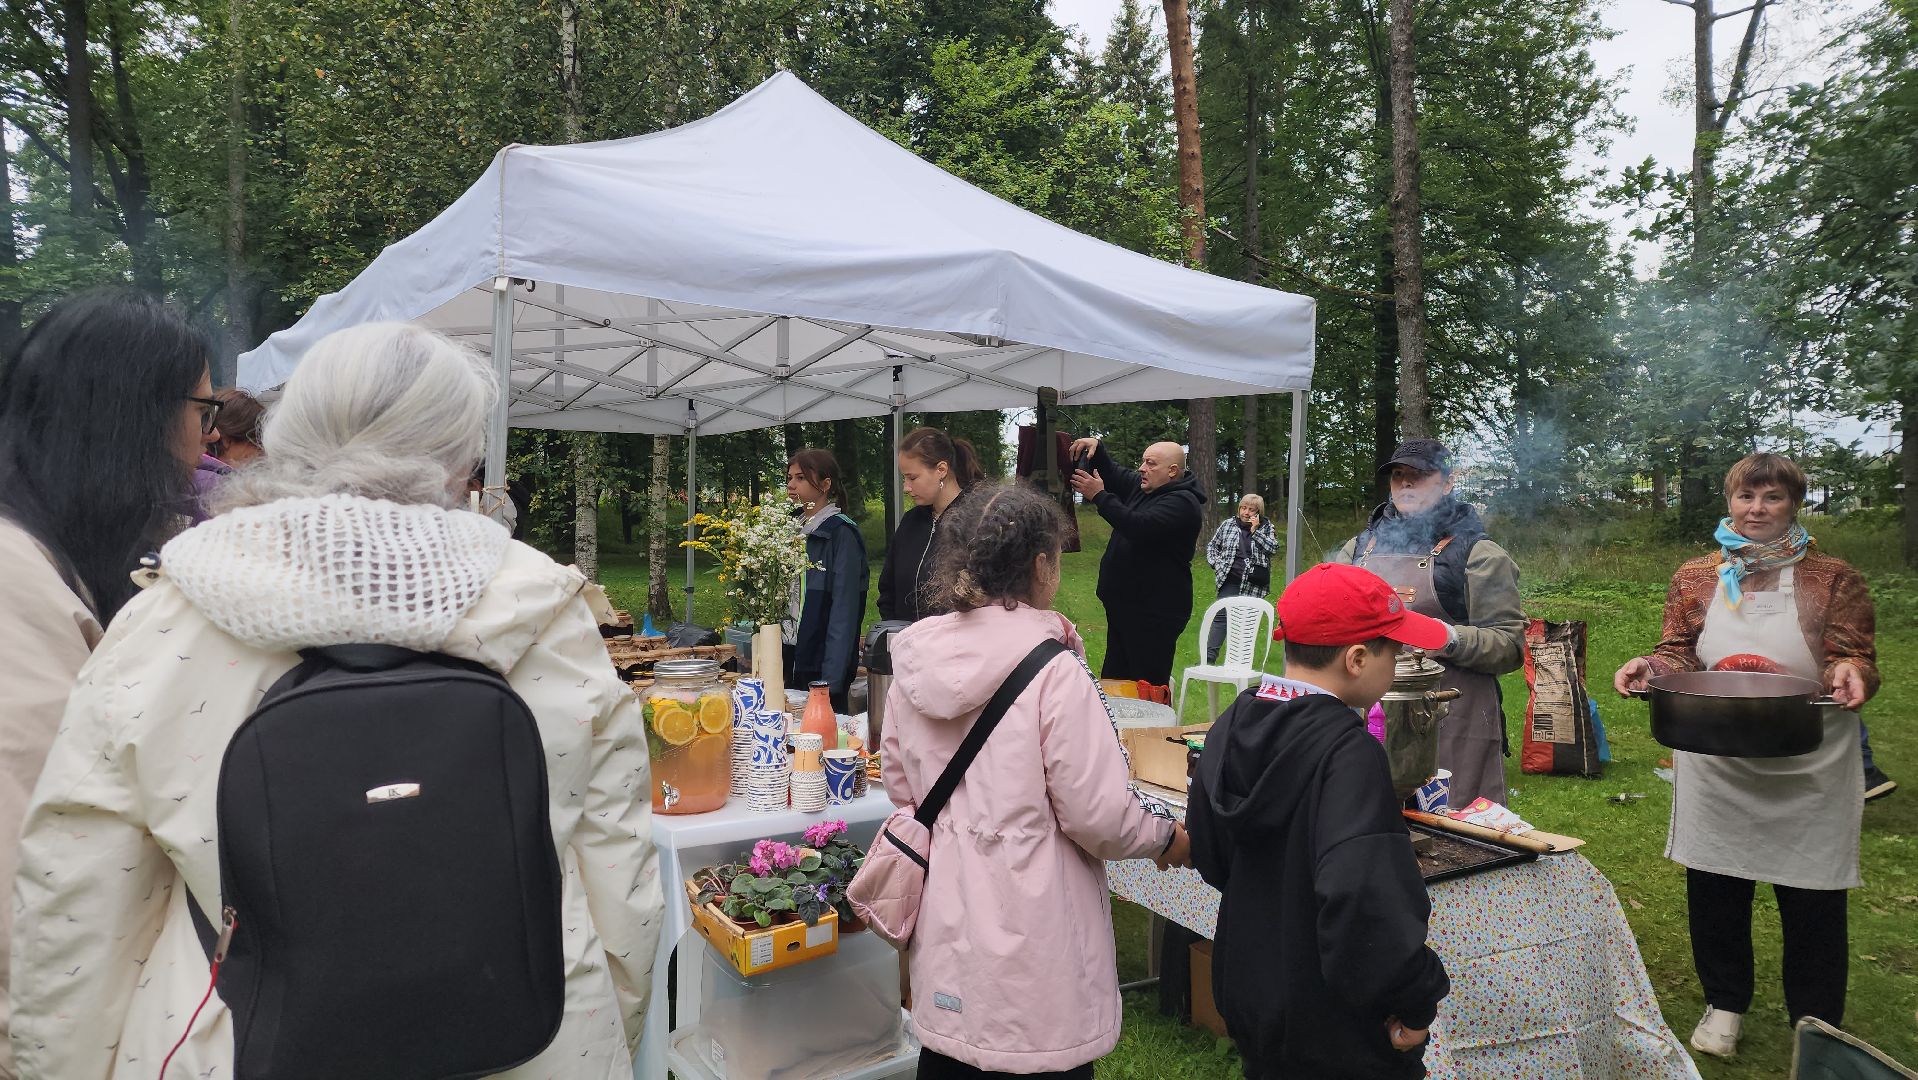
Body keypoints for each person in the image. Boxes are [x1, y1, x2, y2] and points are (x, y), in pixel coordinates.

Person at [9, 322, 662, 1079]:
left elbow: (78, 899)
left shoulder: (167, 617)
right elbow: (619, 866)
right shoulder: (548, 611)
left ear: (295, 434)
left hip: (236, 1037)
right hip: (530, 1036)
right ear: (463, 458)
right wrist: (607, 1019)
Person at [881, 482, 1189, 1079]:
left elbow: (901, 787)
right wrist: (1164, 838)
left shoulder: (915, 660)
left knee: (950, 1061)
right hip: (1036, 936)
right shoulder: (1054, 672)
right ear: (1043, 565)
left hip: (947, 923)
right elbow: (1098, 814)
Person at [0, 289, 215, 1077]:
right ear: (139, 418)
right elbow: (26, 860)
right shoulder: (12, 583)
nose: (207, 445)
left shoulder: (46, 551)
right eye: (203, 411)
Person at [1613, 452, 1876, 1057]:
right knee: (1715, 885)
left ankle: (1815, 1027)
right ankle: (1724, 1003)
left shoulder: (1832, 575)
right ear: (1730, 502)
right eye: (1746, 497)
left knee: (1812, 895)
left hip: (1805, 756)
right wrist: (1649, 666)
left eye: (1773, 498)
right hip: (1717, 753)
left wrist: (1852, 674)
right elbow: (1677, 651)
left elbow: (1852, 655)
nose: (1757, 509)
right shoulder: (1697, 575)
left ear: (1794, 504)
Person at [1188, 563, 1452, 1079]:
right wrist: (1418, 1000)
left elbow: (1212, 853)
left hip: (1255, 1000)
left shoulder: (1230, 724)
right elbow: (1366, 900)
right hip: (1336, 1028)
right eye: (1393, 651)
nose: (1395, 664)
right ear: (1356, 659)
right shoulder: (1348, 753)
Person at [1331, 438, 1522, 809]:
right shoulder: (1359, 548)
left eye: (1418, 476)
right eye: (1398, 475)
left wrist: (1446, 637)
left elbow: (1510, 645)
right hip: (1366, 715)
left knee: (1456, 841)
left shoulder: (1478, 553)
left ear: (1447, 483)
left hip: (1451, 718)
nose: (1404, 484)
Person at [1066, 436, 1204, 686]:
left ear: (1172, 471)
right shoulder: (1145, 488)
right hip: (1126, 610)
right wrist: (1097, 449)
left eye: (1150, 463)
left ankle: (1152, 727)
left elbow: (1138, 527)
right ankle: (1122, 726)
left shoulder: (1183, 503)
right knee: (1116, 685)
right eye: (1143, 461)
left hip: (1153, 614)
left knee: (1145, 688)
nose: (1142, 468)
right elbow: (1114, 473)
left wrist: (1099, 496)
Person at [785, 449, 869, 711]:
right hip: (787, 655)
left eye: (800, 478)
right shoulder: (787, 528)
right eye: (789, 477)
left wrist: (831, 680)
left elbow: (844, 612)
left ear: (824, 484)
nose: (791, 484)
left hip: (820, 662)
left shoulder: (840, 534)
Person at [877, 426, 985, 623]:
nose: (906, 487)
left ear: (941, 470)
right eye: (904, 478)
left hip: (958, 649)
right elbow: (887, 589)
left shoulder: (978, 523)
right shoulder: (910, 522)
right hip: (908, 645)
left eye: (912, 477)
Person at [1203, 493, 1279, 662]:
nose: (1246, 513)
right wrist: (1216, 563)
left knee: (1245, 621)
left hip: (1253, 583)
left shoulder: (1267, 528)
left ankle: (1239, 660)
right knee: (1221, 616)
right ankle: (1209, 657)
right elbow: (1213, 546)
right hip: (1229, 578)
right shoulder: (1228, 524)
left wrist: (1255, 532)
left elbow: (1273, 549)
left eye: (1251, 510)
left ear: (1258, 513)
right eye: (1243, 508)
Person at [210, 387, 267, 466]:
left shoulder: (191, 467)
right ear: (226, 441)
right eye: (259, 445)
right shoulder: (214, 476)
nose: (263, 456)